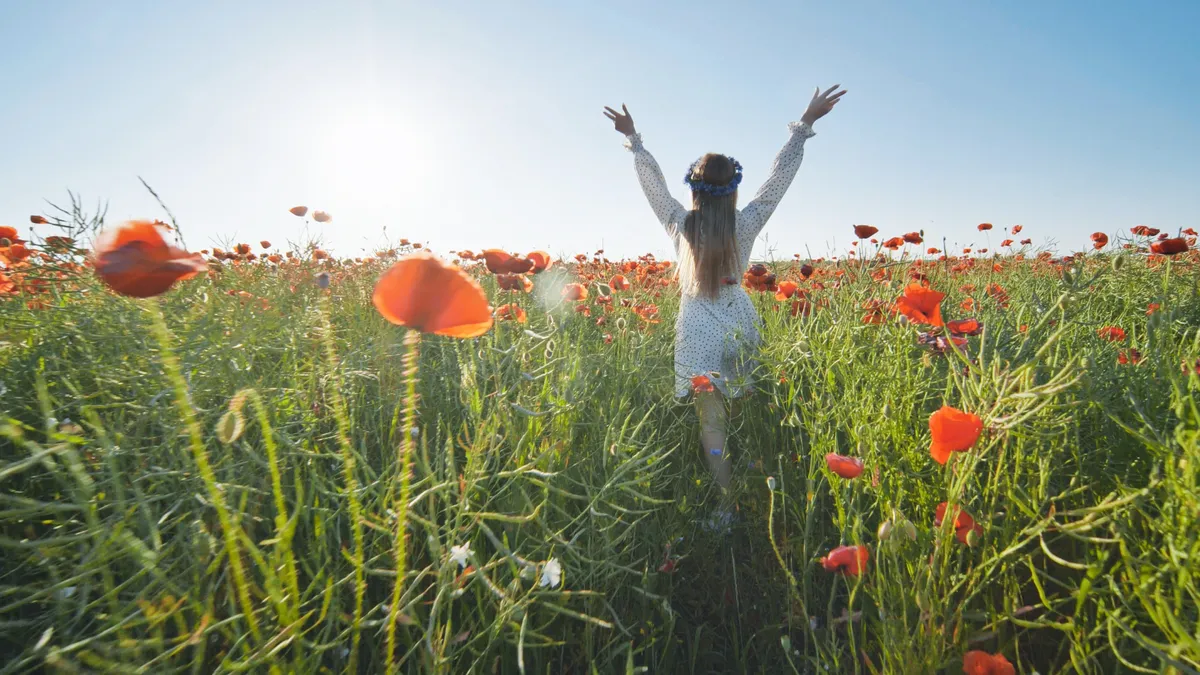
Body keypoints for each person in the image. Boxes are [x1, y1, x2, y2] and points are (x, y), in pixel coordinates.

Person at [603, 85, 845, 495]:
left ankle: (725, 503)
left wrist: (634, 140)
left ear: (693, 191)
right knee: (748, 404)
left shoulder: (679, 224)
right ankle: (761, 479)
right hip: (737, 314)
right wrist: (803, 125)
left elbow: (655, 188)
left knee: (711, 422)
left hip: (696, 321)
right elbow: (775, 183)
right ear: (733, 190)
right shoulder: (745, 224)